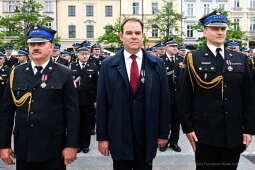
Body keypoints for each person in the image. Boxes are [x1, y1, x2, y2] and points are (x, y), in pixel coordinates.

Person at [178, 11, 255, 170]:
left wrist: (249, 128)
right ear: (205, 31)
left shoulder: (240, 58)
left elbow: (248, 97)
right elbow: (184, 96)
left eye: (223, 28)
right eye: (214, 28)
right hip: (205, 134)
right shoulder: (193, 58)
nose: (220, 32)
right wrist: (188, 128)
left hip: (233, 133)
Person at [0, 25, 80, 170]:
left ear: (51, 46)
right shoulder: (16, 73)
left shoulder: (64, 73)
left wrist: (72, 144)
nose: (35, 47)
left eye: (41, 44)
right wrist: (3, 145)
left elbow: (72, 112)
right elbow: (6, 112)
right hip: (25, 146)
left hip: (54, 147)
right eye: (32, 44)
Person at [96, 18, 171, 170]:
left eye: (137, 33)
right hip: (119, 135)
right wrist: (102, 137)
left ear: (143, 36)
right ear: (121, 36)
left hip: (147, 135)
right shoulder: (108, 65)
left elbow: (164, 101)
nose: (134, 36)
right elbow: (102, 103)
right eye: (129, 33)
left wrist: (163, 133)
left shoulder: (157, 64)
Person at [70, 47, 98, 153]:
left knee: (87, 124)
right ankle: (77, 145)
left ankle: (85, 145)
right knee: (76, 124)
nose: (84, 56)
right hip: (75, 101)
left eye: (86, 54)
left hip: (88, 101)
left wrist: (96, 100)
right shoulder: (72, 66)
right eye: (82, 54)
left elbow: (97, 85)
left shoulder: (93, 67)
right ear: (77, 55)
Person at [159, 38, 182, 152]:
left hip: (178, 97)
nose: (175, 48)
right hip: (165, 97)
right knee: (165, 121)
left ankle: (174, 142)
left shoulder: (181, 60)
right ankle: (163, 142)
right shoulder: (160, 60)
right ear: (167, 48)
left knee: (176, 123)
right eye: (173, 46)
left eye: (176, 46)